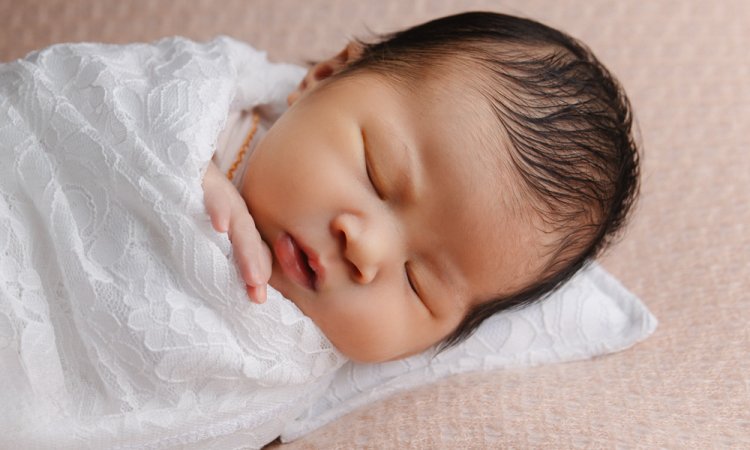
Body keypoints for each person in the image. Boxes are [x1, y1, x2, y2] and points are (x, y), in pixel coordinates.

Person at [202, 11, 639, 363]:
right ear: (326, 75)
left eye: (418, 284)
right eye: (376, 174)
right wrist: (195, 173)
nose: (365, 249)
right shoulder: (209, 111)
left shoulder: (305, 369)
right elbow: (135, 95)